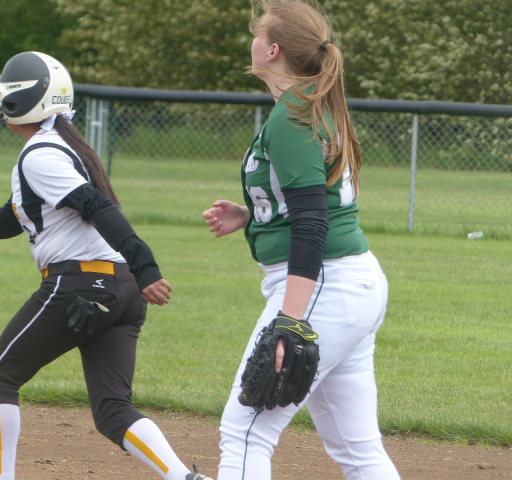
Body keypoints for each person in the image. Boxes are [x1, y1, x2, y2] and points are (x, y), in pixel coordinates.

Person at [0, 51, 212, 480]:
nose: (0, 101)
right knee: (113, 410)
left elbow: (97, 208)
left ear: (23, 102)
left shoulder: (40, 155)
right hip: (120, 291)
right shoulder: (62, 147)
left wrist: (148, 266)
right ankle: (185, 478)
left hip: (81, 284)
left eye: (6, 94)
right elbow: (12, 218)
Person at [202, 2, 401, 479]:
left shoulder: (292, 115)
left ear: (273, 50)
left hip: (324, 288)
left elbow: (313, 223)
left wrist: (291, 322)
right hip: (348, 284)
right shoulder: (309, 104)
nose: (252, 41)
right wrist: (255, 215)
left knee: (245, 432)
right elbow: (315, 203)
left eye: (258, 34)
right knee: (358, 450)